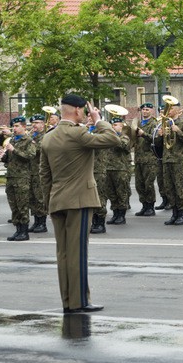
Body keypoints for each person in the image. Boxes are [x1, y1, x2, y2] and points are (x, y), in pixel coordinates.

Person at [40, 94, 120, 313]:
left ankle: (68, 300)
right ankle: (79, 302)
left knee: (63, 254)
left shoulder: (48, 137)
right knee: (77, 253)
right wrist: (98, 119)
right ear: (76, 111)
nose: (86, 114)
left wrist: (50, 201)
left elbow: (44, 175)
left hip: (57, 201)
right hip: (80, 201)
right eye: (84, 111)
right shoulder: (77, 133)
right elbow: (113, 139)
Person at [156, 100, 183, 225]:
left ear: (177, 110)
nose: (168, 111)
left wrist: (178, 131)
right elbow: (158, 145)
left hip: (178, 160)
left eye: (170, 109)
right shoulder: (165, 123)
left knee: (179, 187)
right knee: (169, 187)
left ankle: (181, 214)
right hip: (167, 159)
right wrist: (160, 135)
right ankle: (174, 213)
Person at [2, 116, 37, 241]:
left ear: (23, 127)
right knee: (14, 205)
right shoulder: (12, 140)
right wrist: (3, 155)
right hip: (11, 176)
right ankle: (17, 229)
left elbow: (30, 156)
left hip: (22, 177)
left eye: (17, 126)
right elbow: (9, 159)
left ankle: (24, 231)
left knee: (22, 205)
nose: (14, 128)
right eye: (13, 126)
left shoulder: (28, 140)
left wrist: (14, 150)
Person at [133, 102, 159, 217]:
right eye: (143, 110)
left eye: (148, 110)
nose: (145, 111)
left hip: (150, 159)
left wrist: (143, 134)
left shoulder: (154, 123)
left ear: (152, 111)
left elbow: (156, 140)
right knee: (139, 184)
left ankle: (150, 206)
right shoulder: (138, 123)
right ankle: (144, 205)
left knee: (148, 184)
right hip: (139, 158)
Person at [106, 117, 132, 225]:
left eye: (118, 125)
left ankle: (121, 215)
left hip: (120, 169)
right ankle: (115, 213)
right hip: (108, 168)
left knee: (121, 193)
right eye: (114, 125)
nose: (115, 127)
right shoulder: (107, 137)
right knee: (111, 193)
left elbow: (123, 146)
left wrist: (113, 136)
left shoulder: (124, 137)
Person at [28, 114, 49, 233]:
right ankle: (36, 221)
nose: (34, 125)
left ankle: (42, 223)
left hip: (40, 171)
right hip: (30, 170)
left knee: (40, 197)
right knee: (32, 198)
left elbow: (39, 149)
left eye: (36, 123)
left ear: (42, 124)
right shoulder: (31, 135)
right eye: (33, 123)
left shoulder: (45, 136)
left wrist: (29, 142)